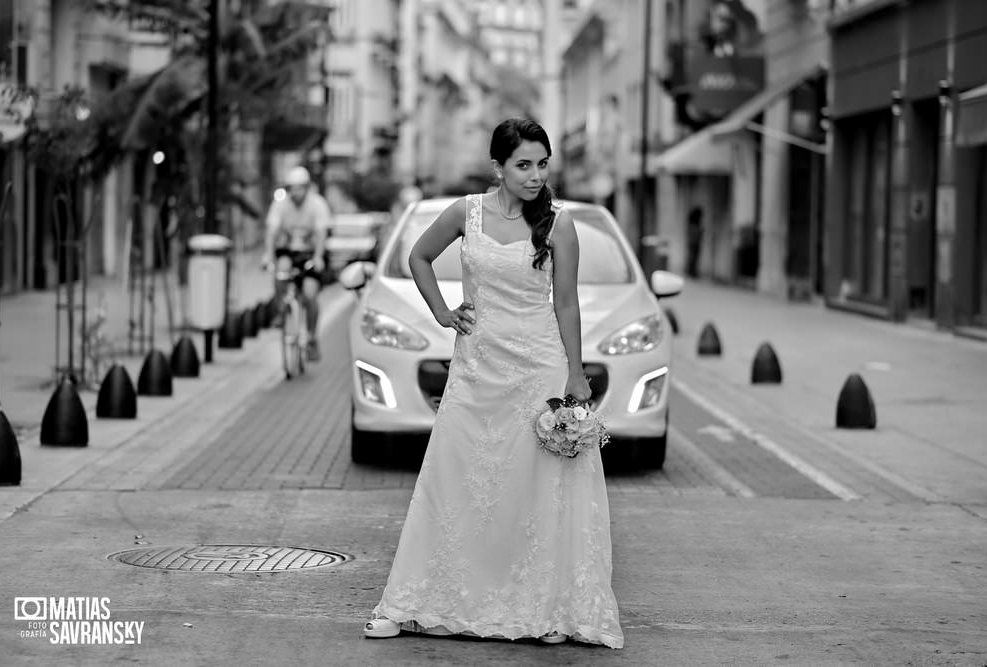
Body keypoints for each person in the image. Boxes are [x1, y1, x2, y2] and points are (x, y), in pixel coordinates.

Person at [362, 118, 624, 649]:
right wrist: (441, 313)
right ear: (498, 168)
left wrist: (575, 372)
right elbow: (418, 256)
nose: (534, 175)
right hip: (477, 367)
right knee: (453, 477)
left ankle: (548, 608)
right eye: (523, 164)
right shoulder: (466, 212)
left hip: (537, 366)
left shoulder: (558, 223)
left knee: (536, 488)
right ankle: (413, 602)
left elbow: (566, 303)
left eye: (542, 164)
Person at [261, 166, 333, 361]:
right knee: (280, 272)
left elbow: (321, 233)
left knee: (310, 295)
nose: (296, 192)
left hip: (310, 253)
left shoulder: (317, 204)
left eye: (300, 188)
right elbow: (272, 230)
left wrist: (318, 257)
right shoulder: (281, 205)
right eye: (292, 188)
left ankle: (311, 336)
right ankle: (281, 309)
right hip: (289, 251)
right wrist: (268, 255)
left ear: (307, 188)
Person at [686, 206, 704, 278]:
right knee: (693, 257)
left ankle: (692, 272)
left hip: (694, 242)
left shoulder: (693, 223)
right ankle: (692, 272)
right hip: (694, 243)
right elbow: (696, 233)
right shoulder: (694, 224)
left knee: (693, 257)